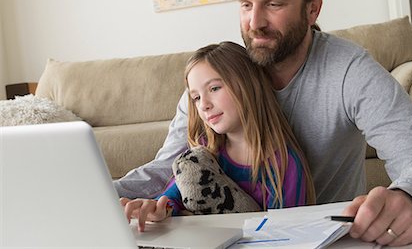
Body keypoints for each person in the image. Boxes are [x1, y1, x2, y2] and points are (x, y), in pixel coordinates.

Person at [115, 0, 412, 246]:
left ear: (312, 8)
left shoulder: (349, 70)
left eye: (273, 4)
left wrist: (411, 198)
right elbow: (168, 167)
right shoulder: (219, 73)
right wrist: (102, 194)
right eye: (246, 5)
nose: (254, 23)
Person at [120, 42, 315, 231]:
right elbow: (171, 199)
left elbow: (286, 236)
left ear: (248, 85)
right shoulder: (204, 154)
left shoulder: (283, 165)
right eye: (196, 97)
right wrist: (157, 209)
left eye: (214, 88)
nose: (203, 104)